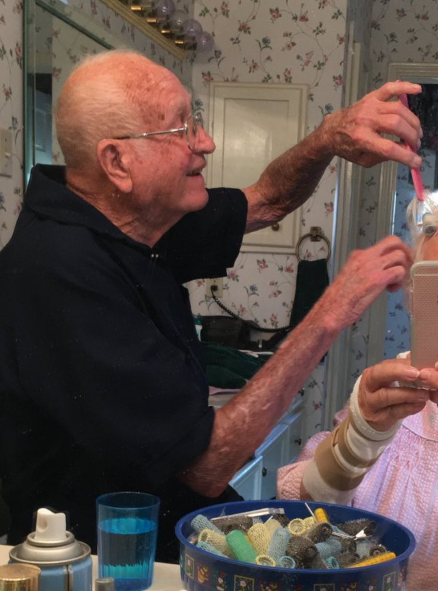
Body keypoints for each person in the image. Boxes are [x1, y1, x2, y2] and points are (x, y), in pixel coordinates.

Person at [0, 49, 421, 561]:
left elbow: (268, 198)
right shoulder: (58, 272)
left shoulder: (132, 219)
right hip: (112, 560)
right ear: (117, 162)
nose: (206, 142)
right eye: (181, 129)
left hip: (172, 528)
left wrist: (330, 135)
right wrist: (330, 311)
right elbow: (206, 465)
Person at [277, 193, 438, 590]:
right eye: (432, 284)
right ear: (414, 301)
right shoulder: (391, 398)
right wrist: (361, 437)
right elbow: (309, 517)